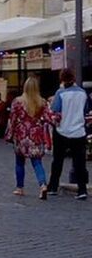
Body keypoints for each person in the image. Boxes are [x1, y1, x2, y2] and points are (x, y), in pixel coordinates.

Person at [5, 76, 53, 199]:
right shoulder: (42, 102)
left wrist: (9, 135)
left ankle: (20, 187)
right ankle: (43, 185)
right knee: (37, 162)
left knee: (19, 162)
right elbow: (49, 118)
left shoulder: (17, 102)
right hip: (35, 135)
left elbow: (12, 119)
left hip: (21, 135)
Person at [47, 67, 91, 200]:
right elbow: (86, 109)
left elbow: (55, 109)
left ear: (62, 79)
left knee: (58, 161)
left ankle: (53, 187)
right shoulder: (82, 93)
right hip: (78, 131)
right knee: (80, 162)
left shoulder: (60, 93)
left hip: (62, 130)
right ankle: (82, 190)